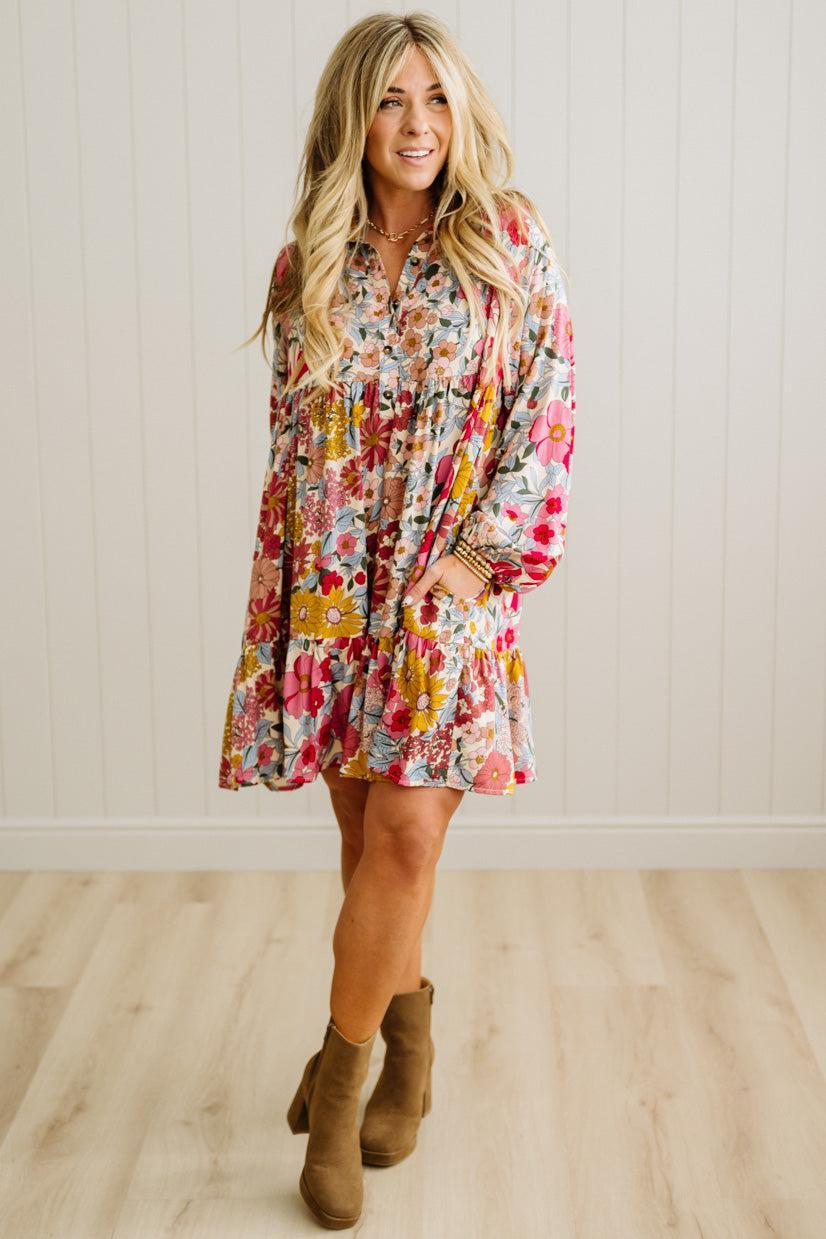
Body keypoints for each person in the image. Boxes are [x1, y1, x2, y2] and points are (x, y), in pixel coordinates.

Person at [219, 10, 576, 1229]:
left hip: (446, 589)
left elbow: (549, 413)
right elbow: (290, 453)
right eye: (389, 101)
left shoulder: (509, 243)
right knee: (369, 838)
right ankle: (409, 1054)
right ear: (351, 119)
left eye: (434, 98)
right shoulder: (305, 258)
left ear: (460, 110)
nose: (416, 125)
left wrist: (478, 566)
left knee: (409, 843)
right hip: (325, 592)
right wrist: (287, 607)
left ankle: (336, 1086)